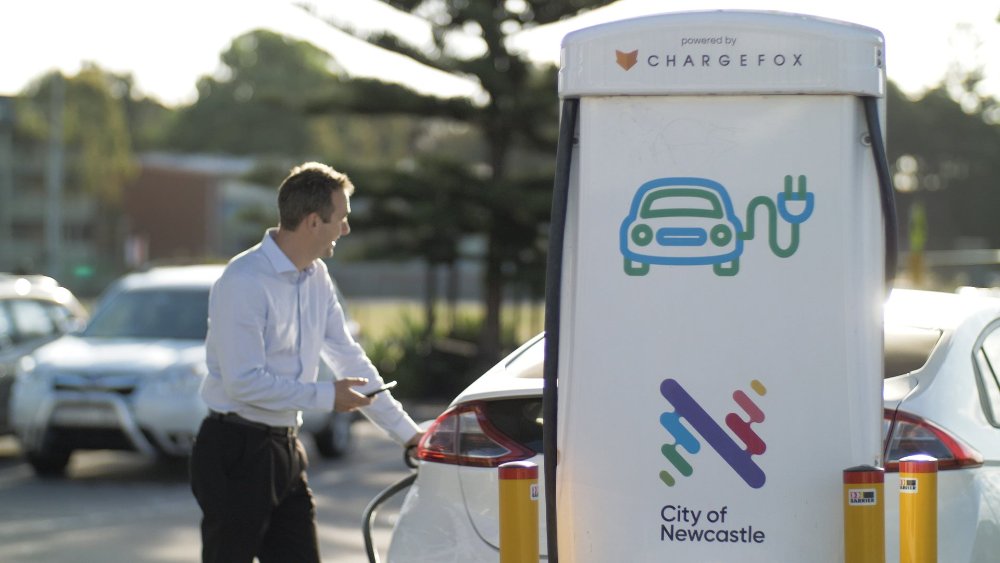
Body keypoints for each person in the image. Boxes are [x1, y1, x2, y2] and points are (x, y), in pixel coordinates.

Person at [190, 161, 423, 563]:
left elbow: (348, 357)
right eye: (342, 219)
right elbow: (242, 383)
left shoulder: (317, 278)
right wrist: (326, 396)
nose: (346, 229)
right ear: (314, 222)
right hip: (234, 450)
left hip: (285, 449)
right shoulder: (243, 281)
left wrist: (409, 435)